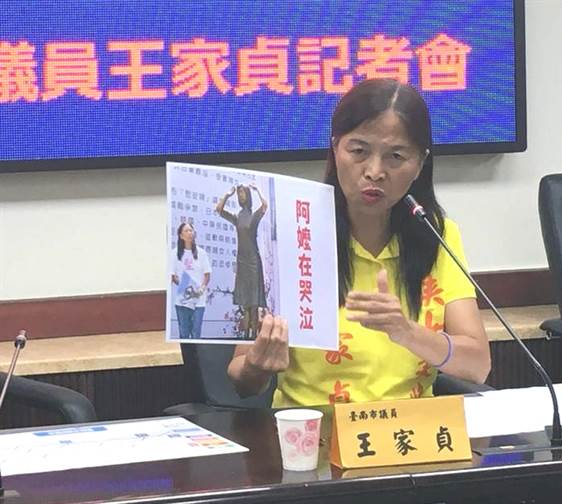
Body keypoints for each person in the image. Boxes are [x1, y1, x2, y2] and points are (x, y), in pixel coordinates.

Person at [228, 78, 491, 406]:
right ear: (335, 148)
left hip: (411, 430)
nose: (375, 171)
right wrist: (257, 366)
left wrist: (407, 332)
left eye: (396, 156)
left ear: (420, 164)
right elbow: (242, 377)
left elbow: (477, 366)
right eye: (359, 151)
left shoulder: (438, 235)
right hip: (314, 432)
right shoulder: (293, 234)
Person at [216, 183, 268, 339]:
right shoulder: (238, 217)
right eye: (239, 193)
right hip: (242, 261)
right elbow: (219, 210)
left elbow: (264, 206)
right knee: (245, 304)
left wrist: (258, 190)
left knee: (254, 304)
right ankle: (246, 336)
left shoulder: (254, 215)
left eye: (243, 193)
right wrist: (227, 195)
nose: (241, 195)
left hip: (253, 261)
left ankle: (254, 336)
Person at [171, 222, 211, 339]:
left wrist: (200, 290)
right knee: (184, 333)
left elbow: (207, 274)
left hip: (199, 299)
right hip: (182, 300)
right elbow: (173, 276)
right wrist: (185, 286)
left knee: (196, 333)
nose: (190, 233)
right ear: (181, 235)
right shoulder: (174, 253)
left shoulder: (201, 253)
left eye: (191, 230)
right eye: (186, 231)